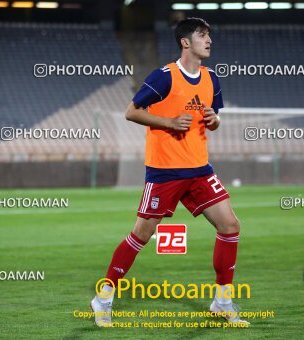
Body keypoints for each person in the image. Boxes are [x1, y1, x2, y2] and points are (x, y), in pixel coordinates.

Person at [90, 17, 248, 327]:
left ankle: (223, 300)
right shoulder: (164, 77)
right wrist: (168, 123)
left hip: (200, 169)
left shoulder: (212, 78)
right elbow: (132, 111)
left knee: (230, 225)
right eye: (203, 35)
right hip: (165, 172)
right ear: (185, 42)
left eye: (210, 35)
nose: (209, 40)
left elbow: (213, 117)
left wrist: (214, 120)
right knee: (142, 235)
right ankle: (103, 297)